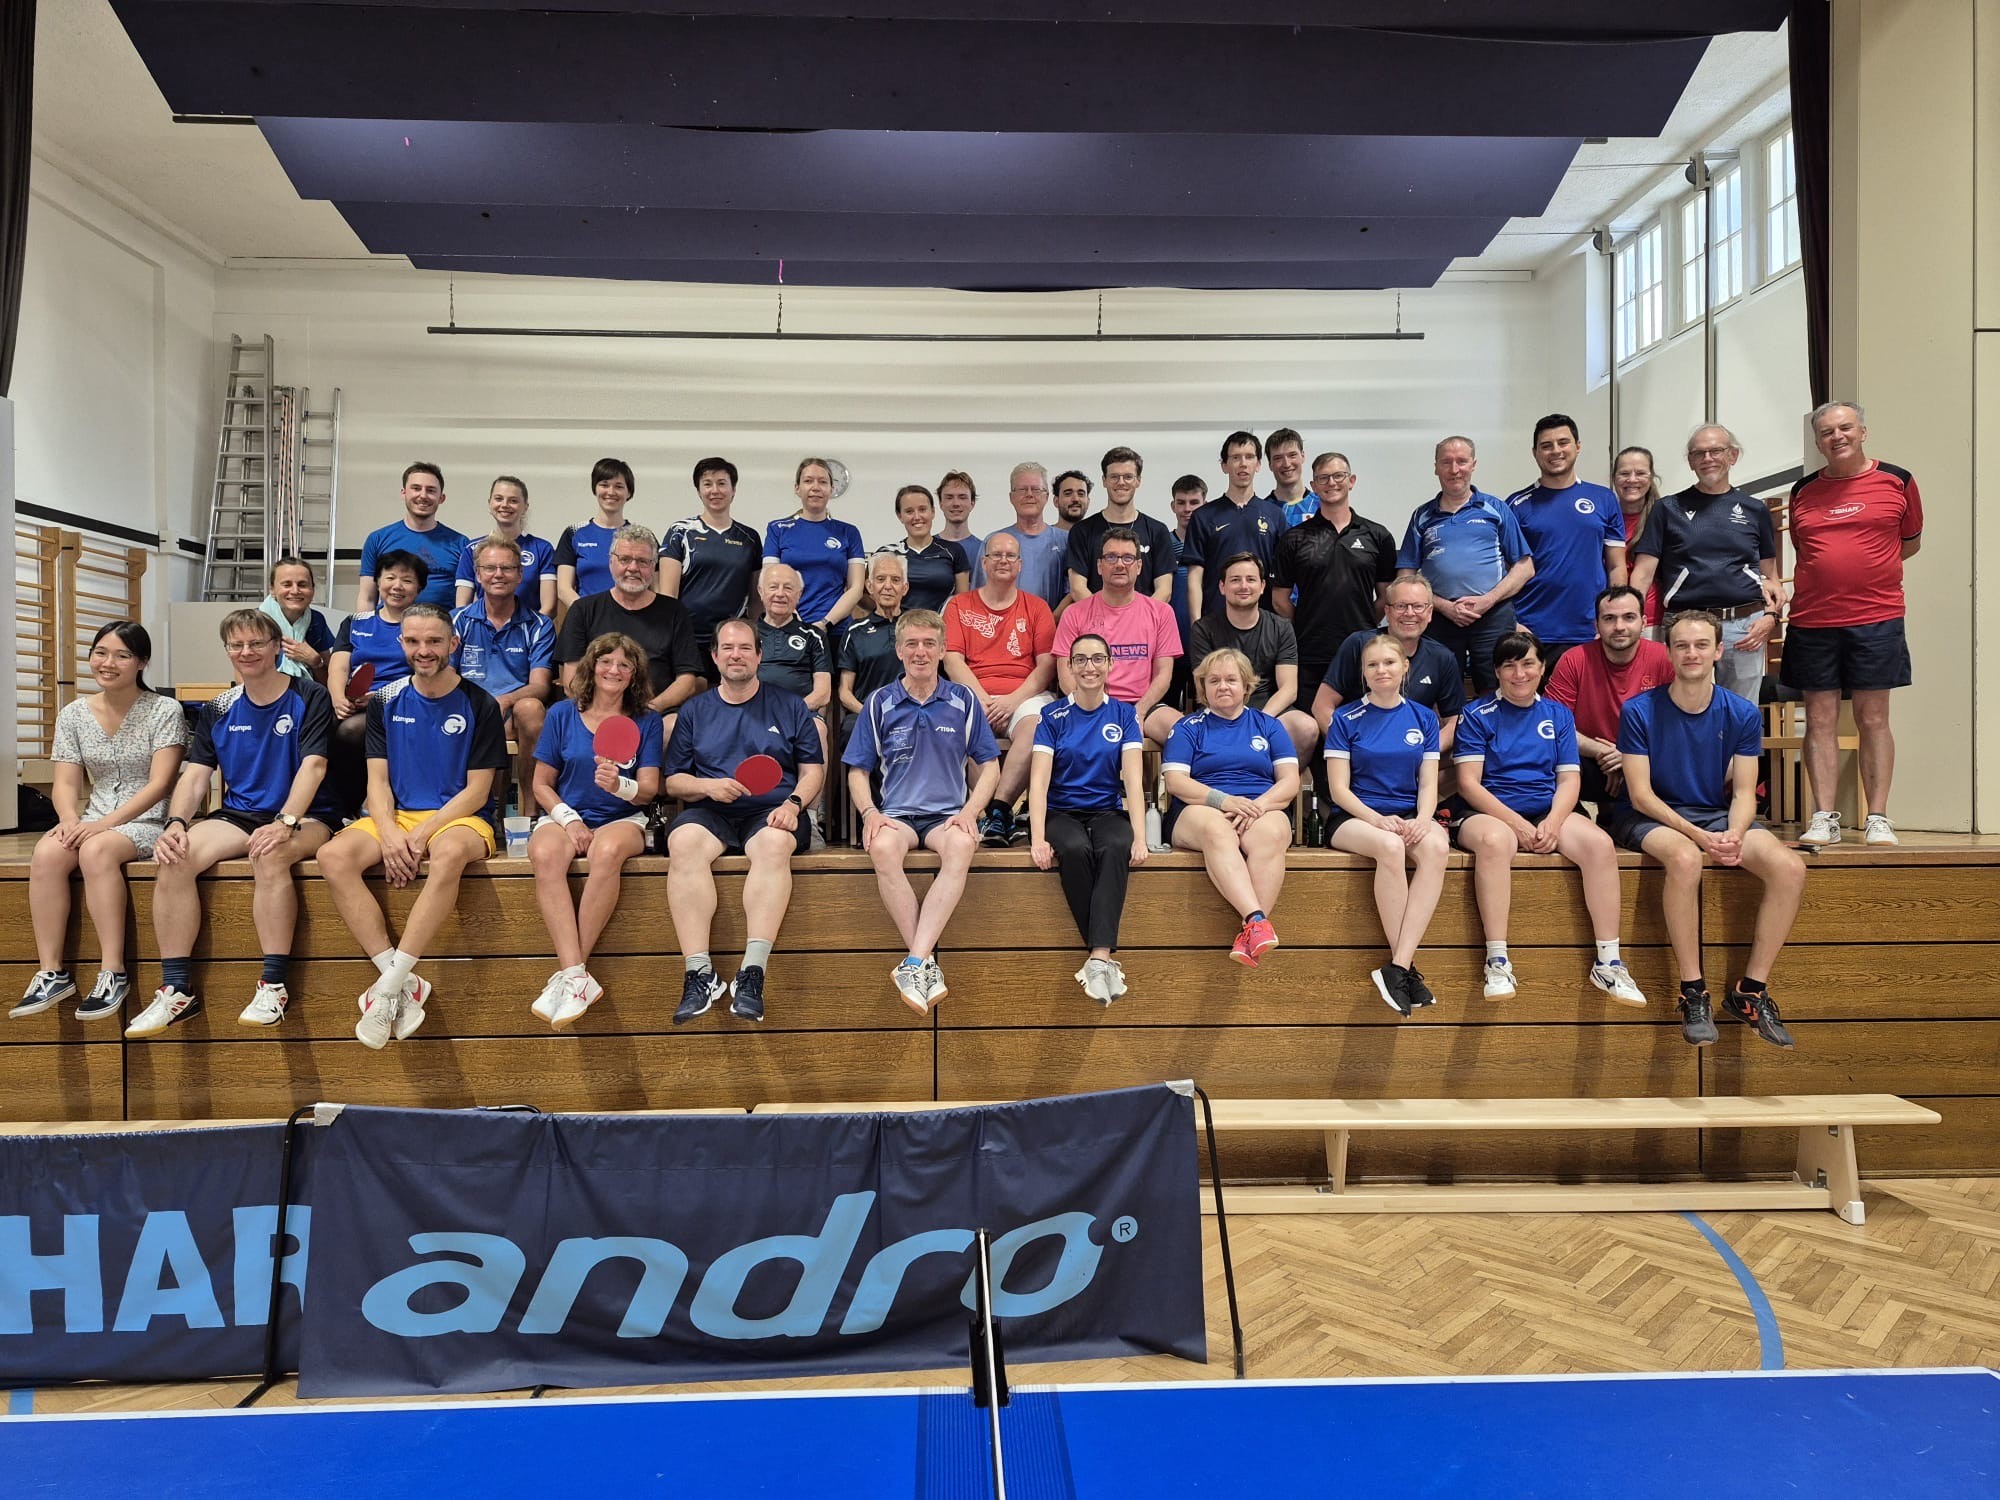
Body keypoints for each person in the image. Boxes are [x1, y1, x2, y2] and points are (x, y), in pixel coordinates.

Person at [127, 610, 335, 1036]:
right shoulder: (220, 707)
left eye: (257, 643)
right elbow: (197, 774)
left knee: (271, 853)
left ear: (277, 646)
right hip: (239, 816)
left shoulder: (309, 696)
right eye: (237, 645)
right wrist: (176, 823)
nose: (247, 652)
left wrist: (285, 821)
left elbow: (313, 767)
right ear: (227, 652)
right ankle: (176, 990)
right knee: (174, 857)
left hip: (307, 815)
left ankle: (273, 985)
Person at [1611, 610, 1806, 1050]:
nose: (1691, 653)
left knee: (1789, 868)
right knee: (1683, 859)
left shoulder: (1740, 712)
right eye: (1681, 645)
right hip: (1649, 815)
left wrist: (1734, 834)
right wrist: (1702, 840)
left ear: (1718, 650)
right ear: (1670, 652)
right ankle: (1693, 991)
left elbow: (1743, 792)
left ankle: (1750, 991)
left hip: (1715, 814)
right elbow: (1641, 795)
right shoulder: (1639, 710)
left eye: (1701, 645)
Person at [316, 603, 508, 1049]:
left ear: (453, 644)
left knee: (448, 854)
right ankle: (400, 982)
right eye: (414, 641)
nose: (424, 650)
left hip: (459, 818)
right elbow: (377, 781)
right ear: (402, 643)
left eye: (434, 641)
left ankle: (387, 988)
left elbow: (477, 792)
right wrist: (389, 831)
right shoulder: (385, 701)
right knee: (332, 855)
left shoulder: (481, 704)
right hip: (398, 814)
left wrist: (418, 837)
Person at [1450, 631, 1647, 1008]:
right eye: (1509, 665)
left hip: (1545, 808)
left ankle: (1609, 963)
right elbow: (1468, 784)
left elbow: (1569, 778)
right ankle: (1497, 960)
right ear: (1497, 672)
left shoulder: (1558, 714)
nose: (1519, 673)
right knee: (1497, 842)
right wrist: (1519, 826)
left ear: (1542, 668)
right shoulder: (1477, 715)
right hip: (1488, 810)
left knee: (1599, 844)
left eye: (1528, 664)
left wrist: (1554, 822)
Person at [12, 623, 185, 1024]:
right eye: (101, 652)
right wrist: (71, 820)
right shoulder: (74, 714)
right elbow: (65, 782)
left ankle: (113, 971)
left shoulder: (163, 710)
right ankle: (51, 972)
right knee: (47, 853)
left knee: (96, 849)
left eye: (123, 655)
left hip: (145, 820)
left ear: (141, 663)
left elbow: (161, 785)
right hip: (92, 817)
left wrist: (101, 826)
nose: (109, 663)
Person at [664, 618, 826, 1025]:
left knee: (773, 845)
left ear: (759, 655)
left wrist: (793, 804)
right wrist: (708, 786)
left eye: (745, 648)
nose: (736, 655)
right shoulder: (695, 710)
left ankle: (752, 974)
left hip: (771, 811)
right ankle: (698, 974)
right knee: (682, 845)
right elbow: (674, 781)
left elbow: (812, 771)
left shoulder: (789, 705)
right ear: (715, 656)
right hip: (711, 811)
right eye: (728, 649)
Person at [845, 610, 1001, 1015]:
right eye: (911, 644)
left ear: (942, 649)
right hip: (895, 814)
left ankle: (914, 962)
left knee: (963, 847)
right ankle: (923, 962)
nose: (920, 652)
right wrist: (869, 812)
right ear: (899, 650)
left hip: (946, 815)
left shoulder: (962, 699)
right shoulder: (879, 702)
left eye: (929, 643)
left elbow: (991, 766)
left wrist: (971, 809)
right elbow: (858, 772)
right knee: (880, 848)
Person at [1782, 401, 1923, 847]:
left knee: (1873, 717)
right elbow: (1807, 552)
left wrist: (1867, 574)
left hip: (1876, 618)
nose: (1836, 436)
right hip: (1813, 620)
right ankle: (1824, 816)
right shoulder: (1803, 491)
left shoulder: (1898, 480)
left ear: (1862, 431)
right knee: (1820, 719)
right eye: (1826, 432)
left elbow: (1910, 542)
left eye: (1845, 428)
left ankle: (1878, 816)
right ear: (1818, 441)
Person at [526, 632, 664, 1029]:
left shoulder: (647, 720)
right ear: (592, 666)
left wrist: (619, 784)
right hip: (567, 814)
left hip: (624, 819)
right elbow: (540, 785)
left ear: (634, 673)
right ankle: (577, 977)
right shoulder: (560, 715)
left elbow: (650, 790)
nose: (614, 670)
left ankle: (570, 975)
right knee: (546, 853)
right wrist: (569, 820)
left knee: (606, 853)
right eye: (607, 662)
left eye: (624, 664)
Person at [1322, 633, 1449, 1016]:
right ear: (1363, 672)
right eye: (1373, 664)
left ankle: (1397, 967)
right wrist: (1378, 820)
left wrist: (1424, 821)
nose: (1381, 670)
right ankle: (1405, 969)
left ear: (1404, 667)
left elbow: (1428, 782)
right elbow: (1339, 790)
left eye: (1389, 663)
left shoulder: (1424, 718)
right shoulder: (1345, 718)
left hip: (1408, 816)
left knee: (1437, 846)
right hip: (1355, 819)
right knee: (1391, 848)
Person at [1028, 633, 1149, 1005]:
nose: (1089, 667)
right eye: (1080, 660)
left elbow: (1133, 778)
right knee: (1076, 850)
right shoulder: (1052, 716)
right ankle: (1101, 957)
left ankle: (1098, 960)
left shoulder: (1125, 714)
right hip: (1062, 812)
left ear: (1110, 665)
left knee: (1115, 845)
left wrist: (1141, 838)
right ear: (1069, 667)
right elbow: (1038, 782)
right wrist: (1037, 839)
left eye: (1097, 659)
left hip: (1106, 810)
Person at [1162, 648, 1299, 967]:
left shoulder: (1268, 725)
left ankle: (1251, 933)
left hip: (1259, 806)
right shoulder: (1188, 727)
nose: (1223, 686)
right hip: (1200, 807)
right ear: (1203, 687)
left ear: (1246, 685)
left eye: (1231, 680)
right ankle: (1255, 919)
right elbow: (1176, 782)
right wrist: (1223, 801)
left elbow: (1290, 782)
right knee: (1217, 829)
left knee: (1272, 835)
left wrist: (1256, 806)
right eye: (1214, 680)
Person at [1627, 425, 1781, 702]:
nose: (1707, 458)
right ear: (1690, 461)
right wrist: (1632, 615)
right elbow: (1643, 572)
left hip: (1744, 627)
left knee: (1741, 711)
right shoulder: (1668, 509)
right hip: (1683, 622)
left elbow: (1770, 578)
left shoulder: (1755, 509)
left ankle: (1737, 749)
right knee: (1679, 705)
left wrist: (1770, 617)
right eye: (1699, 453)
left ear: (1733, 456)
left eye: (1716, 451)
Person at [943, 532, 1058, 846]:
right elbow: (952, 660)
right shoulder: (958, 605)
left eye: (1010, 556)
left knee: (1039, 725)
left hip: (1023, 695)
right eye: (996, 555)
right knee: (960, 723)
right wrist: (979, 697)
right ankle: (987, 816)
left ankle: (1000, 809)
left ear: (1020, 565)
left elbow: (1046, 666)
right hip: (971, 692)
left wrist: (1012, 700)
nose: (1004, 560)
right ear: (984, 562)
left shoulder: (1037, 607)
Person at [1396, 436, 1535, 693]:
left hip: (1492, 614)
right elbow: (1405, 576)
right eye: (1446, 462)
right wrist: (1443, 606)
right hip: (1439, 616)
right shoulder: (1422, 515)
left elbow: (1525, 567)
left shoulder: (1496, 509)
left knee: (1497, 686)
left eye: (1461, 461)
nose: (1454, 469)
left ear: (1473, 464)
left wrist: (1488, 600)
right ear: (1436, 467)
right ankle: (1446, 734)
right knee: (1438, 688)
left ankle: (1492, 734)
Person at [1272, 451, 1397, 706]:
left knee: (1361, 726)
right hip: (1311, 651)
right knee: (1312, 729)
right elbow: (1279, 599)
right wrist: (1306, 623)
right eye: (1324, 478)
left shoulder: (1378, 535)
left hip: (1363, 651)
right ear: (1314, 486)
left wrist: (1363, 625)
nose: (1332, 483)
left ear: (1351, 481)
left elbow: (1387, 596)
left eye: (1338, 476)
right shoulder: (1294, 538)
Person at [1504, 415, 1626, 673]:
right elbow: (1503, 572)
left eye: (1563, 442)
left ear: (1577, 446)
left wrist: (1611, 619)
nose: (1556, 451)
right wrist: (1512, 622)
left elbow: (1616, 567)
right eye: (1546, 445)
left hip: (1587, 630)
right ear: (1535, 452)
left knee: (1586, 712)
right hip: (1531, 630)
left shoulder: (1604, 499)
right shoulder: (1515, 505)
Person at [555, 524, 706, 731]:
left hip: (655, 713)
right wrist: (607, 714)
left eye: (643, 561)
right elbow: (571, 681)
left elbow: (687, 680)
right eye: (625, 559)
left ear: (653, 567)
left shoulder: (674, 611)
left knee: (673, 727)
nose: (633, 568)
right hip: (594, 713)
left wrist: (651, 709)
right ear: (611, 562)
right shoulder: (583, 609)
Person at [1311, 574, 1466, 764]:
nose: (1410, 613)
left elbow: (1454, 721)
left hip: (1413, 753)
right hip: (1360, 751)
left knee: (1465, 758)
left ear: (1430, 612)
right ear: (1387, 611)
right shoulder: (1358, 644)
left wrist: (1427, 751)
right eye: (1401, 606)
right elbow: (1322, 706)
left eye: (1418, 606)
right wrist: (1349, 748)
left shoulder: (1442, 657)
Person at [452, 535, 555, 812]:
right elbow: (445, 676)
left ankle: (531, 809)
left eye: (507, 568)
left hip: (515, 709)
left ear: (520, 574)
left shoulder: (539, 625)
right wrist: (485, 706)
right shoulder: (456, 620)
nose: (498, 574)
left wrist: (506, 701)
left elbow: (541, 685)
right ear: (477, 574)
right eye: (490, 568)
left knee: (532, 709)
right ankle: (485, 808)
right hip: (468, 706)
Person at [1545, 586, 1673, 809]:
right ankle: (1570, 816)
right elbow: (1553, 726)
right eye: (1609, 618)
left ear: (1643, 621)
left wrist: (1631, 756)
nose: (1619, 627)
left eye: (1629, 617)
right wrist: (1603, 751)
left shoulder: (1665, 659)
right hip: (1590, 759)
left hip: (1648, 760)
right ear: (1597, 625)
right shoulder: (1574, 660)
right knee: (1548, 754)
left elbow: (1678, 728)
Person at [1051, 525, 1181, 744]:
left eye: (1128, 558)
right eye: (1111, 557)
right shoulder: (1074, 613)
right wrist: (1100, 710)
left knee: (1187, 734)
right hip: (1089, 705)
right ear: (1100, 566)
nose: (1120, 564)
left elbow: (1163, 676)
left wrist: (1137, 712)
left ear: (1139, 566)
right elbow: (1066, 677)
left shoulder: (1161, 613)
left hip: (1143, 706)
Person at [1181, 553, 1315, 759]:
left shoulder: (1281, 627)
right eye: (1235, 580)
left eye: (1250, 579)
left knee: (1306, 728)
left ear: (1262, 586)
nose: (1243, 586)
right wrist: (1237, 721)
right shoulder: (1204, 629)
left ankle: (1278, 786)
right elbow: (1204, 686)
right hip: (1219, 709)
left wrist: (1258, 722)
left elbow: (1289, 689)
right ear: (1222, 587)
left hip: (1269, 710)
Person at [328, 549, 426, 816]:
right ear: (378, 582)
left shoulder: (424, 624)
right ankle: (324, 809)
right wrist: (338, 698)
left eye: (407, 580)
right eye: (390, 577)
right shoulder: (355, 622)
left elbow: (427, 671)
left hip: (404, 701)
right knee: (316, 728)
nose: (397, 586)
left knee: (352, 730)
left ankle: (363, 802)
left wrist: (380, 696)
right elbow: (338, 665)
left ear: (419, 587)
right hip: (355, 698)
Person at [754, 561, 833, 840]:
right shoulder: (747, 633)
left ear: (799, 595)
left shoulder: (813, 635)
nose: (780, 593)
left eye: (788, 588)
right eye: (773, 587)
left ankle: (809, 819)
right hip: (752, 713)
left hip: (800, 714)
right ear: (761, 591)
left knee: (819, 729)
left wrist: (791, 713)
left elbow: (823, 692)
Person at [658, 456, 761, 666]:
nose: (715, 490)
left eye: (722, 483)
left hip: (732, 641)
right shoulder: (680, 532)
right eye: (707, 484)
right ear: (699, 491)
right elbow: (667, 596)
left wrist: (752, 634)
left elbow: (755, 600)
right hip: (688, 637)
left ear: (733, 490)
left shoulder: (750, 538)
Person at [1185, 432, 1288, 618]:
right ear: (1224, 466)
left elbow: (1283, 580)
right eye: (1235, 457)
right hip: (1215, 622)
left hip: (1262, 624)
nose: (1243, 463)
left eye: (1249, 457)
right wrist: (1196, 625)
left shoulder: (1275, 515)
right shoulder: (1203, 516)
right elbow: (1194, 577)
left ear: (1258, 465)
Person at [763, 457, 868, 637]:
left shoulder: (848, 532)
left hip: (836, 629)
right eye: (808, 481)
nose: (816, 487)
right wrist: (794, 620)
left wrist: (823, 624)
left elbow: (856, 588)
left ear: (831, 489)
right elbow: (769, 582)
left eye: (823, 482)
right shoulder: (777, 529)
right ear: (797, 488)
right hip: (787, 626)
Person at [1065, 447, 1176, 603]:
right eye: (1114, 477)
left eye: (1128, 477)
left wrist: (1135, 619)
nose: (1121, 482)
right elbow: (1077, 588)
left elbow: (1164, 590)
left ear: (1138, 481)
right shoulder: (1082, 531)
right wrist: (1108, 620)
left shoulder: (1158, 531)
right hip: (1096, 624)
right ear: (1104, 480)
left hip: (1143, 624)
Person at [358, 461, 467, 611]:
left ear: (441, 498)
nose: (423, 496)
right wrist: (363, 631)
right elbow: (367, 598)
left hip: (441, 630)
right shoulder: (377, 540)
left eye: (431, 490)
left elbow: (466, 605)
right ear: (404, 493)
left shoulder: (461, 544)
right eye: (416, 488)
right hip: (390, 630)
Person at [971, 462, 1070, 611]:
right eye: (1022, 489)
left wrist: (1051, 620)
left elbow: (1074, 593)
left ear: (1047, 496)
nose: (1029, 494)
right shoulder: (994, 541)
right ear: (1011, 497)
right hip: (1002, 629)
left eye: (1036, 489)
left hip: (1054, 628)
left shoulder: (1066, 541)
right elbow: (979, 595)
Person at [452, 475, 556, 616]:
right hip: (483, 632)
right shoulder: (472, 549)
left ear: (525, 507)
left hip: (529, 632)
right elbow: (462, 607)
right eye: (498, 499)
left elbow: (548, 607)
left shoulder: (542, 549)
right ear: (490, 503)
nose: (505, 505)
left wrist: (532, 631)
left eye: (513, 500)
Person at [554, 457, 637, 607]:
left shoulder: (640, 536)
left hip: (632, 620)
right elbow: (564, 589)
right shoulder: (573, 533)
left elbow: (655, 588)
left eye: (618, 486)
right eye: (604, 485)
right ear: (595, 489)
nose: (611, 492)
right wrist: (587, 614)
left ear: (629, 493)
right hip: (588, 621)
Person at [839, 551, 910, 722]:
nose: (888, 586)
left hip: (913, 713)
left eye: (895, 580)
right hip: (866, 713)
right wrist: (870, 713)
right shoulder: (855, 631)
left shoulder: (919, 626)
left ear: (905, 588)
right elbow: (844, 692)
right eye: (880, 579)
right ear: (869, 586)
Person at [884, 483, 970, 612]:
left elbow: (962, 602)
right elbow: (867, 596)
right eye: (909, 511)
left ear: (933, 512)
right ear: (899, 516)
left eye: (922, 509)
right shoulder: (887, 553)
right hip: (897, 629)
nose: (917, 517)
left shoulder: (954, 551)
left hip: (941, 628)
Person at [261, 555, 335, 681]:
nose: (295, 591)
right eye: (287, 584)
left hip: (308, 696)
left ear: (312, 589)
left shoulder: (317, 621)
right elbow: (243, 676)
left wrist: (316, 661)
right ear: (272, 589)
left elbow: (329, 681)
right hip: (265, 698)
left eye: (302, 584)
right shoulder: (255, 621)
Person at [1612, 446, 1662, 626]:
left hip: (1653, 620)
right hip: (1610, 617)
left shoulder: (1664, 517)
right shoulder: (1602, 518)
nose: (1632, 479)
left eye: (1640, 473)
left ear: (1651, 477)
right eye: (1624, 473)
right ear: (1614, 478)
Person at [1167, 476, 1206, 707]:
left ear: (1205, 503)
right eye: (1181, 502)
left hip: (1202, 640)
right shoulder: (1164, 542)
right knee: (1168, 706)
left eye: (1194, 502)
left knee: (1205, 705)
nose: (1187, 509)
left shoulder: (1210, 544)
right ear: (1173, 506)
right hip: (1171, 642)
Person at [1265, 427, 1312, 524]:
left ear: (1303, 456)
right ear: (1270, 465)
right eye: (1278, 458)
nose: (1286, 464)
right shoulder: (1261, 511)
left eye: (1292, 455)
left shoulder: (1323, 507)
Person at [937, 469, 982, 559]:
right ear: (941, 504)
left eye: (962, 497)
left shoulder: (983, 550)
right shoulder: (928, 548)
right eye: (949, 497)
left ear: (972, 503)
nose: (956, 503)